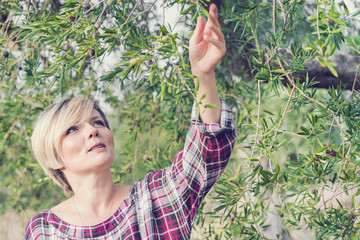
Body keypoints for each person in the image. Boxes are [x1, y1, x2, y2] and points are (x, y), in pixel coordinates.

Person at [24, 4, 236, 239]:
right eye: (72, 129)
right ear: (54, 157)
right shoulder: (45, 230)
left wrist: (203, 75)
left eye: (98, 122)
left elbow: (208, 150)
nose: (93, 131)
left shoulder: (155, 197)